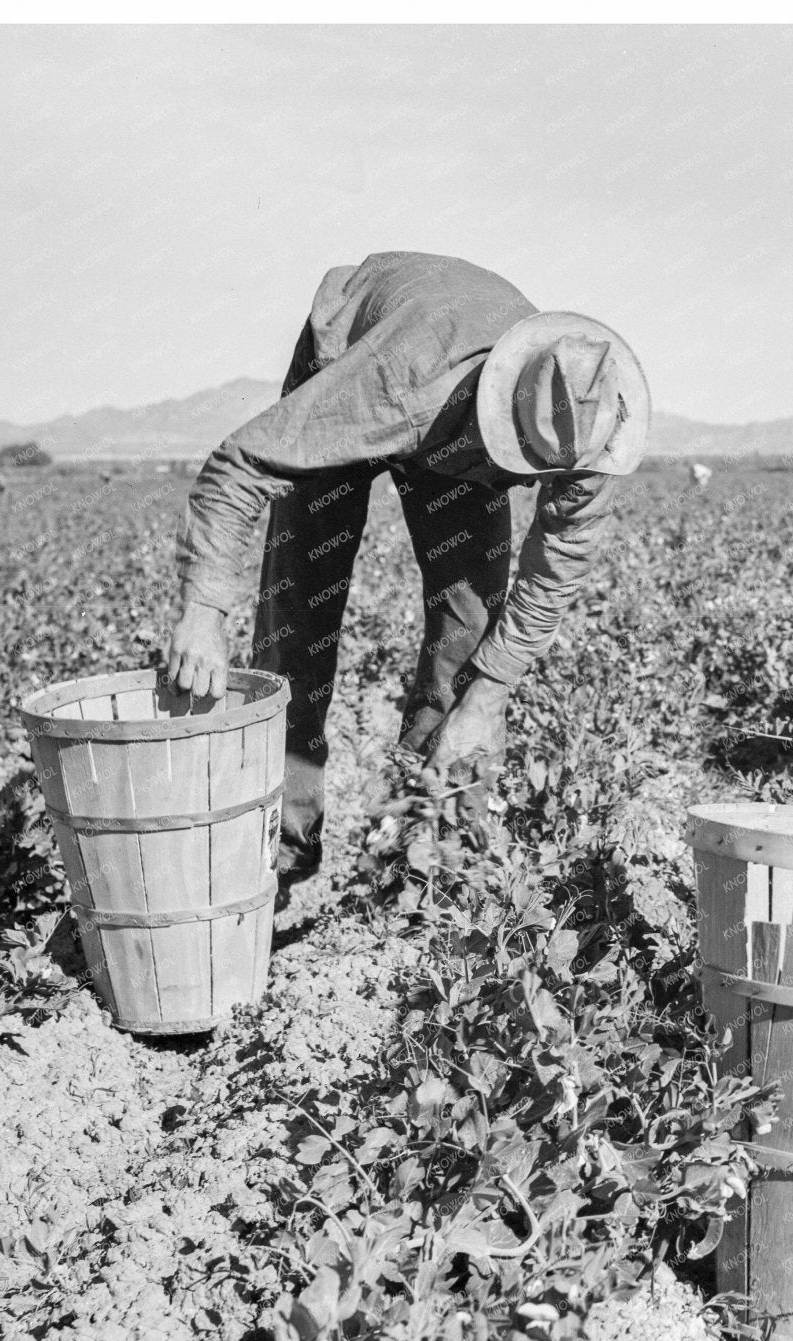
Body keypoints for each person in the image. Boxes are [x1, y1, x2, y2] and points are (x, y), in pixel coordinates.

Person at [163, 252, 649, 899]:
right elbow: (242, 464)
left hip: (464, 408)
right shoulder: (397, 386)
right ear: (500, 409)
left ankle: (428, 853)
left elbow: (556, 569)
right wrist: (204, 610)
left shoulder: (591, 424)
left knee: (471, 628)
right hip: (361, 358)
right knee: (300, 611)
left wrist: (489, 694)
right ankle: (279, 848)